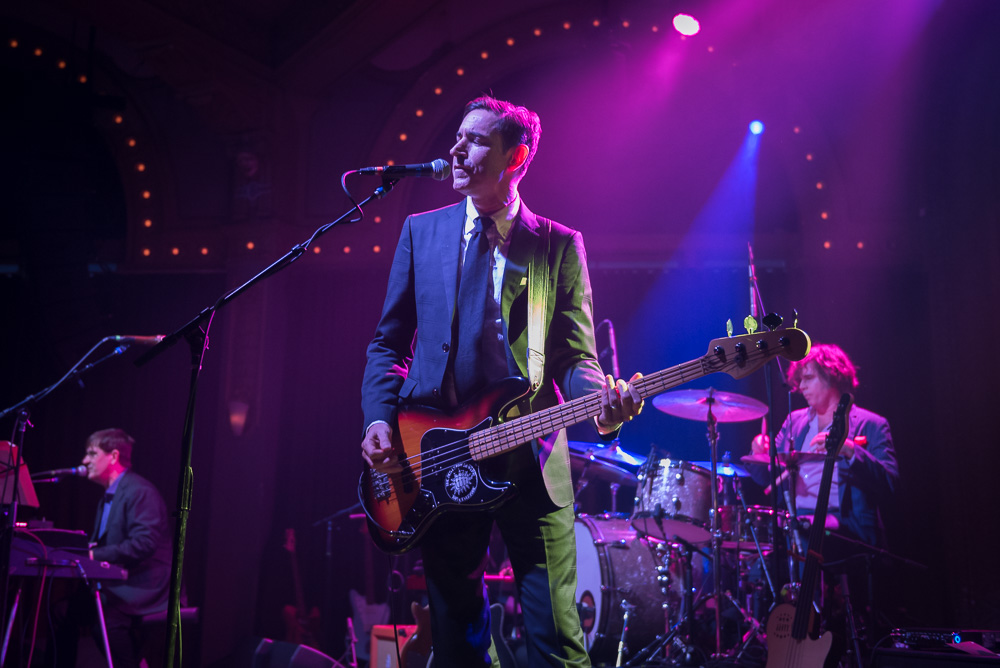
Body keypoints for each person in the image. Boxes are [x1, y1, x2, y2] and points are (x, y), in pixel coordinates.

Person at [360, 94, 643, 667]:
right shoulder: (422, 232)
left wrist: (602, 406)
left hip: (530, 461)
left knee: (556, 641)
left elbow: (574, 358)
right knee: (458, 637)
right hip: (438, 460)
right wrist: (376, 419)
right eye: (458, 137)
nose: (457, 149)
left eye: (476, 139)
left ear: (517, 158)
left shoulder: (558, 245)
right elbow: (388, 344)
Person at [749, 343, 898, 548]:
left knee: (806, 531)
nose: (801, 386)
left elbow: (890, 482)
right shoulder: (794, 421)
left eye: (808, 378)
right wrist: (759, 452)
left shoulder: (871, 424)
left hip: (848, 529)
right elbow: (765, 477)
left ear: (832, 376)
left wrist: (849, 449)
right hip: (799, 525)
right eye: (800, 380)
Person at [55, 428, 171, 668]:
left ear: (114, 456)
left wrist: (92, 554)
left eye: (91, 453)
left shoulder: (140, 491)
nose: (84, 461)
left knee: (105, 625)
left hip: (144, 586)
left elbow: (144, 544)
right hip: (120, 585)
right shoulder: (110, 494)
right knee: (62, 612)